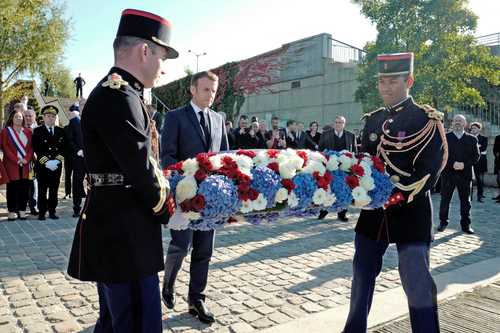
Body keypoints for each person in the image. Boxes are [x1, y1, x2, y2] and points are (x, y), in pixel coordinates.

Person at [67, 8, 177, 333]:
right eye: (162, 57)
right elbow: (141, 166)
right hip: (124, 232)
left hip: (121, 227)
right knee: (134, 321)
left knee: (118, 320)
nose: (163, 68)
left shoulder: (123, 93)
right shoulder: (119, 96)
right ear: (145, 50)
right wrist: (171, 208)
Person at [343, 52, 446, 333]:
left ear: (409, 80)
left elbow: (428, 172)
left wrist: (393, 194)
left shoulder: (425, 120)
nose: (386, 87)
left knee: (417, 282)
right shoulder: (372, 120)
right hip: (373, 216)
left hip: (411, 212)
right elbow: (362, 163)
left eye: (393, 81)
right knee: (361, 277)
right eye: (382, 82)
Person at [161, 71, 229, 324]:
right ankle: (168, 284)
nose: (210, 95)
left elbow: (224, 158)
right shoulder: (175, 117)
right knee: (181, 246)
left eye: (213, 91)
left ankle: (196, 299)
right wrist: (184, 182)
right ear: (192, 89)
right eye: (205, 90)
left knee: (204, 250)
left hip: (211, 200)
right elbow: (167, 157)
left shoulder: (218, 119)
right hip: (184, 197)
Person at [438, 115, 479, 234]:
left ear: (465, 123)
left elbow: (476, 156)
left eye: (460, 121)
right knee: (445, 200)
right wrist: (452, 164)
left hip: (465, 175)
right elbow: (441, 154)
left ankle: (466, 225)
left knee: (466, 201)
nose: (457, 122)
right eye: (455, 120)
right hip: (448, 174)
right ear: (452, 123)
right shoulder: (445, 138)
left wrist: (464, 164)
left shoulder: (472, 139)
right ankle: (443, 222)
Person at [318, 115, 357, 221]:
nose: (338, 124)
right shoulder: (326, 135)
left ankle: (342, 213)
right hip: (331, 168)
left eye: (341, 123)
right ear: (333, 123)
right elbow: (320, 150)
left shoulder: (351, 136)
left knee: (344, 190)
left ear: (344, 124)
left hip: (345, 169)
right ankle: (324, 211)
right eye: (336, 122)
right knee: (328, 189)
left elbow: (355, 152)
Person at [32, 105, 66, 220]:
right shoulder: (37, 131)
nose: (50, 118)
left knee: (54, 190)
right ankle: (42, 212)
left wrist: (56, 161)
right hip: (43, 166)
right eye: (48, 116)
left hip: (56, 166)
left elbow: (64, 148)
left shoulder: (61, 131)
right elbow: (36, 148)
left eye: (53, 116)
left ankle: (52, 211)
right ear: (44, 117)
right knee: (42, 190)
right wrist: (46, 162)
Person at [1, 107, 34, 221]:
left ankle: (22, 210)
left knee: (24, 187)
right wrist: (16, 159)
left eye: (20, 117)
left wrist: (26, 159)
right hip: (11, 164)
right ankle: (11, 211)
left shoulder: (28, 132)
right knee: (12, 188)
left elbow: (30, 148)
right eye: (16, 117)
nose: (19, 118)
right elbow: (5, 148)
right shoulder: (6, 131)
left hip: (25, 164)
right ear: (12, 118)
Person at [66, 110, 86, 217]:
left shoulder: (96, 118)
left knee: (95, 182)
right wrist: (78, 150)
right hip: (79, 157)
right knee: (77, 183)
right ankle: (77, 208)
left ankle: (92, 207)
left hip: (92, 158)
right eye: (81, 105)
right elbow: (69, 139)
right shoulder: (74, 122)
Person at [23, 107, 38, 215]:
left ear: (34, 117)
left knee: (33, 183)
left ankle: (34, 206)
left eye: (30, 116)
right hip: (20, 161)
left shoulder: (38, 130)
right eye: (26, 115)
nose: (28, 118)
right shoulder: (18, 129)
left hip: (33, 162)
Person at [469, 122, 488, 202]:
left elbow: (483, 149)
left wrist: (474, 148)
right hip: (470, 162)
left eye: (475, 128)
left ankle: (479, 196)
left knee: (479, 180)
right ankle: (469, 196)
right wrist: (477, 147)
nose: (473, 130)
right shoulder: (468, 137)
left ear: (479, 129)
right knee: (469, 180)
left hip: (480, 162)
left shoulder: (484, 138)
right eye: (472, 128)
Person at [494, 134, 500, 203]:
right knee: (498, 179)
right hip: (498, 161)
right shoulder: (497, 137)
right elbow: (495, 149)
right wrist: (496, 154)